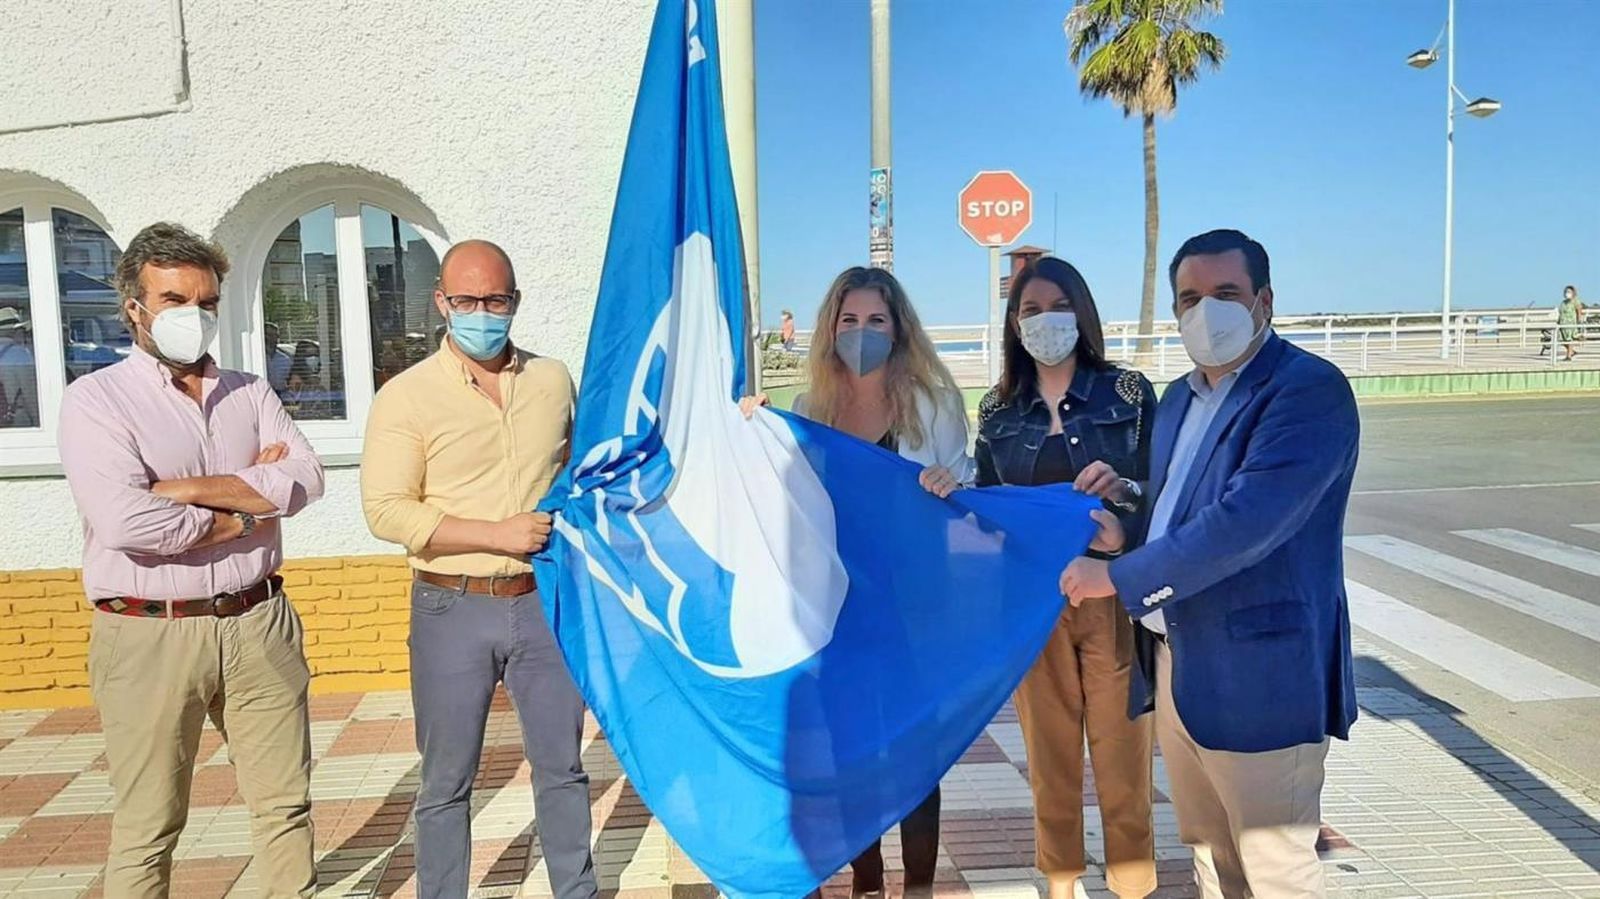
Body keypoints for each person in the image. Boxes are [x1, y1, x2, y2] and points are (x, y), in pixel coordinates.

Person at [1061, 229, 1359, 898]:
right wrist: (1125, 521)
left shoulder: (1307, 391)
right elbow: (1183, 504)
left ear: (1264, 301)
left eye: (1225, 293)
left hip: (1263, 677)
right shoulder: (1179, 399)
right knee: (1210, 856)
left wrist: (1116, 577)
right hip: (1180, 666)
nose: (1206, 311)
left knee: (1274, 870)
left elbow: (1246, 521)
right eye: (1190, 298)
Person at [56, 222, 326, 897]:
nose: (194, 317)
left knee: (284, 806)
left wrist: (181, 491)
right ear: (134, 309)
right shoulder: (95, 401)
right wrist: (246, 506)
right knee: (150, 822)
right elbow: (125, 520)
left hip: (257, 621)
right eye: (174, 300)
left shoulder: (251, 391)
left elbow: (306, 478)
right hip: (150, 629)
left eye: (206, 303)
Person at [361, 240, 598, 899]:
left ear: (514, 302)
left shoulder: (552, 381)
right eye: (465, 300)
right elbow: (385, 509)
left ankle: (575, 890)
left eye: (494, 300)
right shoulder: (406, 397)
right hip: (451, 604)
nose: (481, 313)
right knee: (445, 780)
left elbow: (580, 473)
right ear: (441, 302)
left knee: (562, 766)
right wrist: (495, 532)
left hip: (543, 600)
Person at [743, 266, 972, 897]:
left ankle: (918, 888)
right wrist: (752, 431)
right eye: (850, 321)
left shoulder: (935, 404)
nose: (862, 332)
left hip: (915, 608)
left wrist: (952, 487)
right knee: (849, 755)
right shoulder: (808, 409)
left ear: (898, 330)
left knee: (916, 758)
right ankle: (866, 880)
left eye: (877, 321)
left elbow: (968, 491)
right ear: (830, 329)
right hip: (836, 609)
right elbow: (778, 498)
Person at [975, 257, 1157, 899]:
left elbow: (1159, 494)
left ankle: (1133, 883)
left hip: (1112, 595)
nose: (1045, 320)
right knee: (1049, 757)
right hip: (1033, 605)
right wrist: (949, 494)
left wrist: (1124, 497)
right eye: (1029, 310)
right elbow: (986, 504)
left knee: (1122, 756)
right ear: (1014, 324)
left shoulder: (1128, 392)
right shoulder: (997, 408)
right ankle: (1061, 883)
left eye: (1058, 305)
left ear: (1081, 312)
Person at [0, 306, 38, 428]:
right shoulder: (20, 353)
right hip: (15, 418)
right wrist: (38, 421)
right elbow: (29, 392)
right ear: (14, 331)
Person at [264, 321, 293, 392]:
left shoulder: (285, 360)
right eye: (270, 335)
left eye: (276, 335)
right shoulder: (258, 358)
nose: (273, 338)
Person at [1558, 285, 1582, 362]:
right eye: (1566, 292)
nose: (1567, 293)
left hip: (1571, 323)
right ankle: (1571, 351)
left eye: (1569, 292)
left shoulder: (1575, 301)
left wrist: (1579, 320)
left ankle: (1568, 356)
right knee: (1560, 339)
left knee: (1569, 339)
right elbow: (1560, 313)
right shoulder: (1563, 303)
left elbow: (1579, 310)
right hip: (1562, 323)